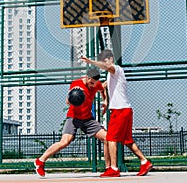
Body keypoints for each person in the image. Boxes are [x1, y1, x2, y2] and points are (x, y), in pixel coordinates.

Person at [81, 49, 153, 178]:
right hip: (124, 109)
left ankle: (113, 168)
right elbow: (103, 86)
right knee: (127, 140)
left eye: (105, 61)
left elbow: (107, 67)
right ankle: (144, 161)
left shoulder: (116, 69)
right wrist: (105, 100)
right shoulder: (112, 75)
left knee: (111, 138)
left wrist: (91, 61)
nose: (104, 64)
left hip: (120, 110)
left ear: (111, 59)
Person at [34, 68, 109, 178]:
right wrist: (75, 97)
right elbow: (67, 101)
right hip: (73, 117)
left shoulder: (96, 84)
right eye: (91, 83)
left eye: (95, 83)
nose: (93, 85)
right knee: (64, 142)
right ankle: (40, 161)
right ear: (87, 78)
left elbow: (102, 89)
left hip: (88, 119)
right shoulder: (76, 84)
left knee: (108, 138)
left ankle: (109, 168)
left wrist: (105, 101)